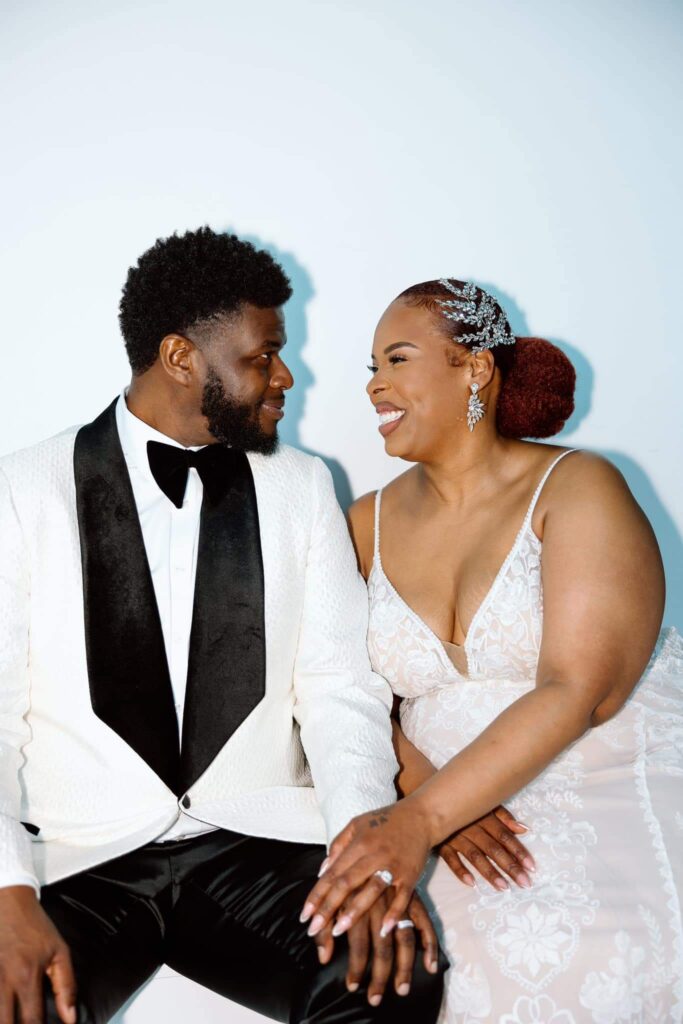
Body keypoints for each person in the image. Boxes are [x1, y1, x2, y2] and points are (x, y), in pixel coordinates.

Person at [0, 230, 451, 1024]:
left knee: (392, 975)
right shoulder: (20, 490)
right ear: (180, 357)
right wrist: (6, 893)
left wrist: (367, 859)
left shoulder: (303, 485)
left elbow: (339, 690)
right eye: (262, 356)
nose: (285, 376)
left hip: (252, 847)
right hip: (82, 858)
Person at [301, 279, 683, 1022]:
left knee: (597, 966)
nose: (374, 383)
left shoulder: (577, 485)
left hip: (598, 776)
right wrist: (429, 800)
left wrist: (422, 820)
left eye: (398, 358)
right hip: (443, 812)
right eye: (370, 364)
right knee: (419, 975)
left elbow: (580, 688)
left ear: (473, 367)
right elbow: (330, 691)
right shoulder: (357, 525)